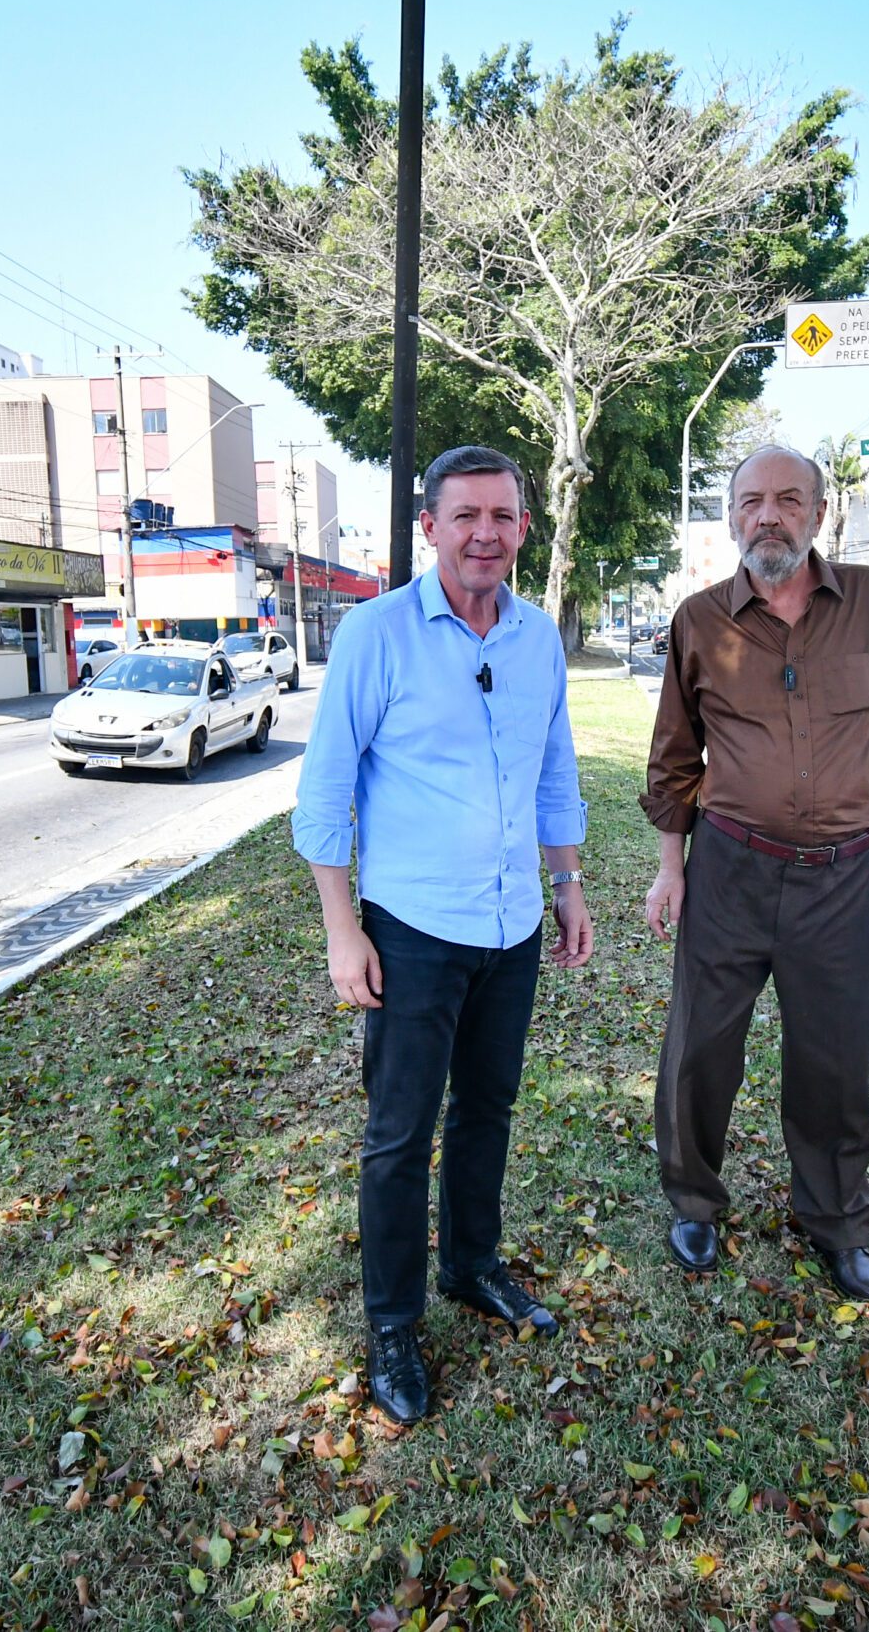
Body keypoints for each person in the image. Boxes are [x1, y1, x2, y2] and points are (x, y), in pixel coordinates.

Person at [292, 443, 594, 1427]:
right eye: (464, 516)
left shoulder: (537, 637)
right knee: (397, 1137)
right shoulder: (378, 635)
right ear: (429, 528)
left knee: (488, 1112)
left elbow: (553, 771)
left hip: (509, 929)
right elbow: (326, 791)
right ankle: (391, 1326)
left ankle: (471, 1266)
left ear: (523, 527)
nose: (485, 534)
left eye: (502, 516)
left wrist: (567, 886)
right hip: (412, 930)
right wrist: (344, 929)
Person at [642, 445, 869, 1305]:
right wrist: (673, 869)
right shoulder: (699, 620)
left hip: (845, 880)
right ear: (732, 516)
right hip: (732, 871)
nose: (767, 516)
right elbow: (673, 758)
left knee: (835, 1061)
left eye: (786, 500)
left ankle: (838, 1225)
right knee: (700, 1048)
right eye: (750, 502)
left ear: (817, 514)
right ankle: (695, 1199)